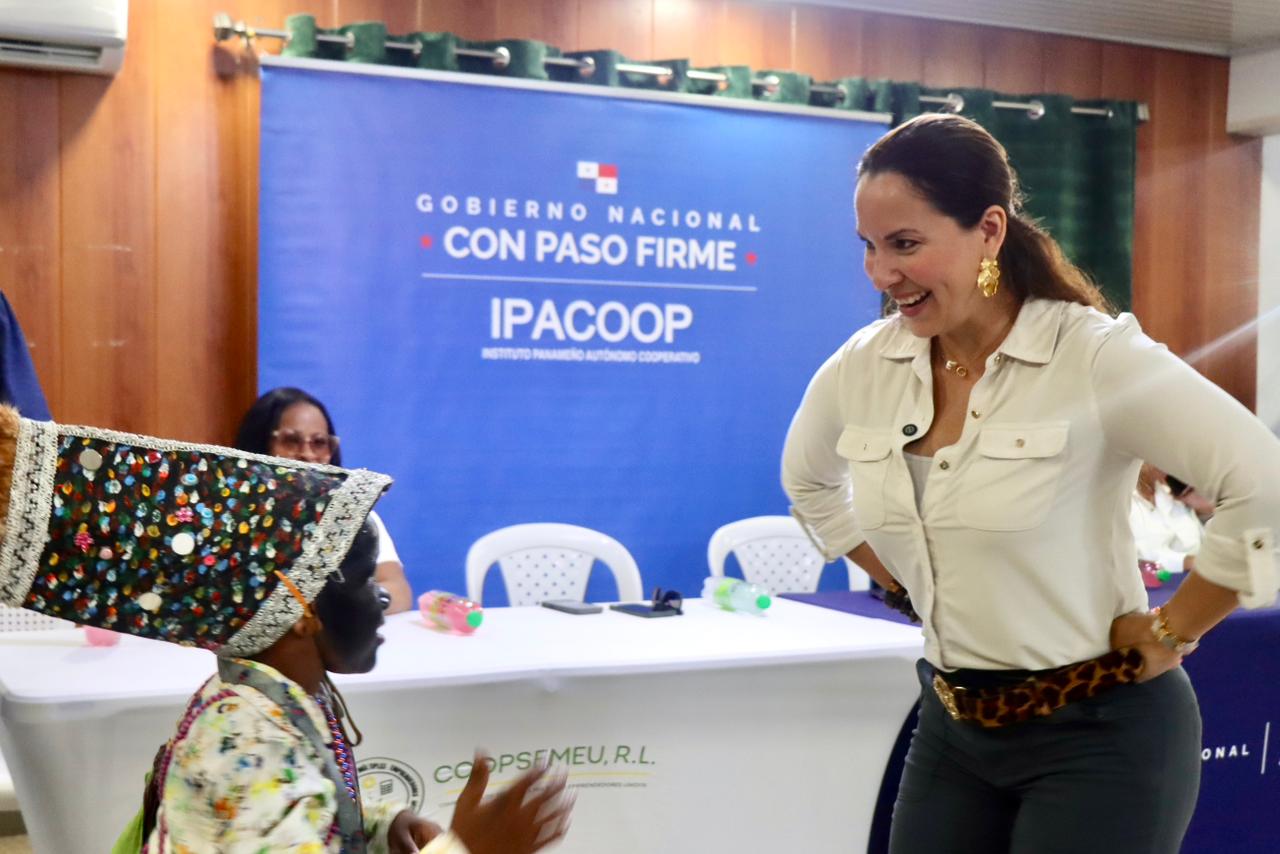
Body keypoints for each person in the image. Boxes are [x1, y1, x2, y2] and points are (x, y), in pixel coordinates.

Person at [782, 113, 1280, 853]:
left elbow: (1265, 486)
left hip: (1103, 736)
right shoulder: (865, 365)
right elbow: (808, 483)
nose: (881, 274)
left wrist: (1174, 631)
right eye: (869, 246)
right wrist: (909, 585)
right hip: (953, 728)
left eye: (905, 244)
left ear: (989, 230)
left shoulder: (1094, 358)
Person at [0, 406, 571, 854]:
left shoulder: (263, 702)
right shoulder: (254, 747)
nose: (380, 596)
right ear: (300, 609)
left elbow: (297, 820)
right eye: (364, 580)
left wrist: (378, 826)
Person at [236, 387, 414, 613]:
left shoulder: (355, 515)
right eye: (291, 440)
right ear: (259, 445)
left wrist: (354, 608)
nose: (308, 454)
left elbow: (398, 589)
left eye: (319, 442)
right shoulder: (234, 517)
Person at [1132, 462, 1203, 577]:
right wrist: (1195, 562)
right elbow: (1147, 558)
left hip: (1202, 571)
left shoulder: (1168, 492)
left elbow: (1198, 537)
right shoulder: (1125, 505)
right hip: (1166, 583)